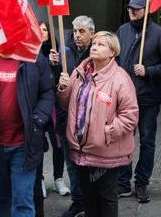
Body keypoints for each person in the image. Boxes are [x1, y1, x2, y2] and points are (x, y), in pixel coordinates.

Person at [0, 28, 55, 217]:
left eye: (6, 27)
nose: (2, 33)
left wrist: (38, 120)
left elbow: (48, 92)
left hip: (24, 144)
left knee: (23, 201)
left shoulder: (33, 60)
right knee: (3, 198)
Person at [57, 31, 139, 217]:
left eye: (101, 45)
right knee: (89, 197)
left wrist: (106, 133)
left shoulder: (120, 78)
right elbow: (65, 104)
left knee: (106, 197)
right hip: (81, 150)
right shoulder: (79, 73)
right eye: (94, 43)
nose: (94, 47)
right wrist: (63, 89)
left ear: (112, 52)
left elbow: (130, 116)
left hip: (105, 151)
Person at [115, 0, 161, 203]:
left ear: (147, 10)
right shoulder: (122, 31)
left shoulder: (160, 34)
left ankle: (141, 182)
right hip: (123, 99)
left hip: (147, 99)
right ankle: (123, 183)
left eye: (137, 8)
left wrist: (149, 71)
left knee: (147, 141)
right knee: (123, 141)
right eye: (130, 8)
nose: (132, 12)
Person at [51, 15, 95, 217]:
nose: (76, 35)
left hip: (89, 120)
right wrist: (54, 66)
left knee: (90, 164)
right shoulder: (64, 53)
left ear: (92, 34)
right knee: (71, 163)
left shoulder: (97, 55)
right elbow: (53, 83)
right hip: (66, 117)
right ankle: (78, 202)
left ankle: (92, 202)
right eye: (75, 31)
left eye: (82, 31)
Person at [38, 21, 68, 200]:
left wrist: (55, 64)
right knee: (38, 144)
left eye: (44, 29)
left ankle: (58, 178)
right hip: (37, 107)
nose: (42, 32)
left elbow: (60, 80)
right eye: (39, 29)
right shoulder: (31, 52)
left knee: (58, 144)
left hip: (54, 108)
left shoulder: (57, 53)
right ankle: (39, 179)